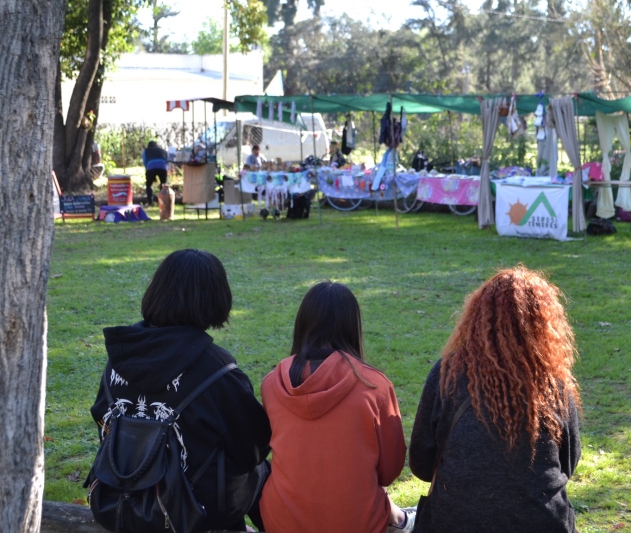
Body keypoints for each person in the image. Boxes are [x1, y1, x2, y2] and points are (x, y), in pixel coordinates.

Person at [90, 249, 271, 531]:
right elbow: (253, 448)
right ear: (216, 299)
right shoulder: (218, 370)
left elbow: (102, 420)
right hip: (197, 510)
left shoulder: (119, 358)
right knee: (262, 471)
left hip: (119, 496)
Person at [409, 267, 582, 533]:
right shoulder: (555, 384)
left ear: (477, 318)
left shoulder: (447, 374)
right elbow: (568, 464)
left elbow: (421, 464)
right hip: (542, 522)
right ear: (544, 324)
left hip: (455, 522)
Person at [259, 281, 414, 533]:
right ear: (352, 325)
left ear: (303, 323)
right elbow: (389, 470)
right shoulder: (375, 386)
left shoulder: (271, 384)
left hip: (281, 520)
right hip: (356, 523)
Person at [141, 140, 168, 207]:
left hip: (151, 166)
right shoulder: (163, 150)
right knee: (163, 184)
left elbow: (145, 161)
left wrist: (149, 172)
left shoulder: (146, 151)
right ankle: (164, 202)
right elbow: (167, 160)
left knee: (148, 185)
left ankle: (150, 202)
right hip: (163, 167)